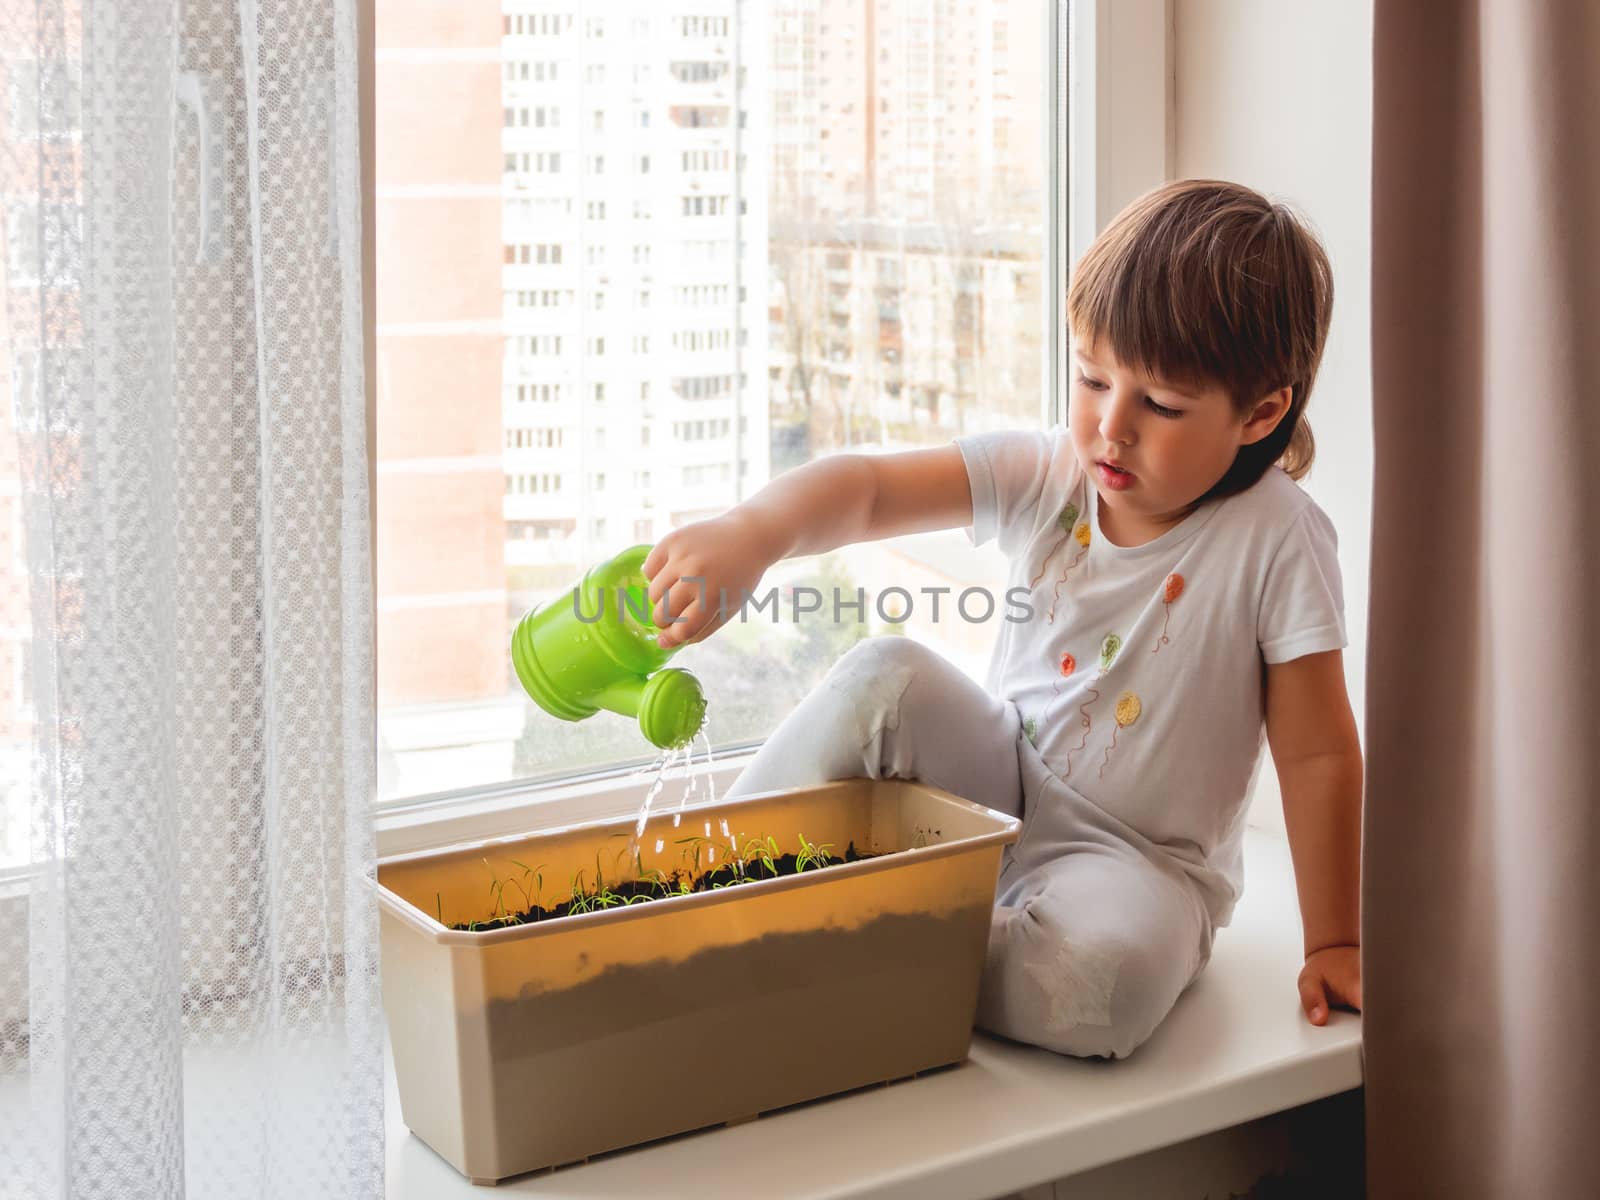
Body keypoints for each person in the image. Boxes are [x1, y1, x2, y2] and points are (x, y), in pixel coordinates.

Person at [642, 179, 1363, 1059]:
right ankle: (703, 894)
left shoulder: (1280, 537)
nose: (1110, 427)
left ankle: (849, 940)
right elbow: (868, 490)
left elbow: (1319, 752)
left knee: (1104, 989)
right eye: (1093, 378)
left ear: (1261, 412)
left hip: (1137, 869)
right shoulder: (1054, 472)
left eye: (1161, 405)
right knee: (886, 677)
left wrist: (1335, 943)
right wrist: (753, 533)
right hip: (995, 782)